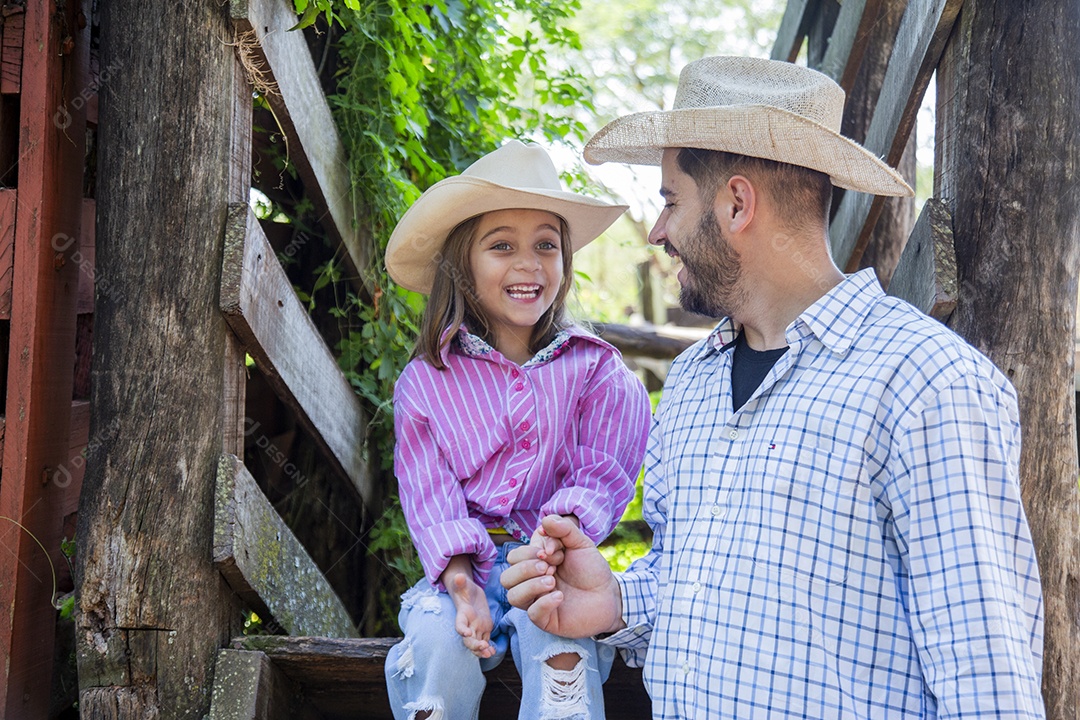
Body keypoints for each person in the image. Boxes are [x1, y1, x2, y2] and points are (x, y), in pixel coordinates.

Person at [502, 56, 1045, 719]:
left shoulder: (925, 383)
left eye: (671, 200)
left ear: (736, 203)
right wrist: (612, 600)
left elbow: (987, 685)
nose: (658, 231)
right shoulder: (695, 384)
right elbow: (693, 579)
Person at [382, 139, 652, 720]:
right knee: (435, 643)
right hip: (462, 574)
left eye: (546, 246)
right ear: (462, 263)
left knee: (563, 652)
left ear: (565, 260)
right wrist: (461, 587)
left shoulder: (596, 372)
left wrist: (555, 543)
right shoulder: (426, 383)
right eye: (501, 245)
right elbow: (431, 499)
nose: (528, 264)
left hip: (555, 569)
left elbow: (600, 473)